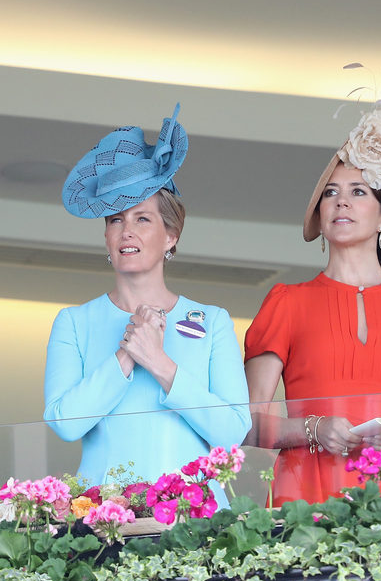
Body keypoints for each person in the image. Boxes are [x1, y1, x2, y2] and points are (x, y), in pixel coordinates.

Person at [244, 106, 381, 505]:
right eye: (331, 193)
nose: (341, 202)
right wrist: (312, 429)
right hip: (304, 491)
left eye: (358, 192)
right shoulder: (286, 303)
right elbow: (248, 424)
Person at [44, 105, 252, 494]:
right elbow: (66, 424)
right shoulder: (73, 322)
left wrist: (159, 362)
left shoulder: (212, 320)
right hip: (105, 519)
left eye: (143, 219)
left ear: (170, 235)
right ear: (106, 237)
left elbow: (232, 433)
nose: (127, 232)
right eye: (115, 220)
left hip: (192, 519)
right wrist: (127, 355)